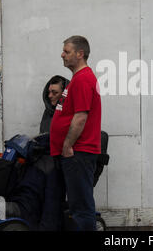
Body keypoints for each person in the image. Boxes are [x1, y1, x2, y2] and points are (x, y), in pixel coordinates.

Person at [50, 35, 101, 231]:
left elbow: (80, 117)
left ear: (80, 54)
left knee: (81, 207)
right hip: (73, 153)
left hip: (78, 152)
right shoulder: (77, 79)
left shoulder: (83, 79)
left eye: (67, 51)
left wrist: (67, 145)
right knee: (76, 206)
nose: (62, 54)